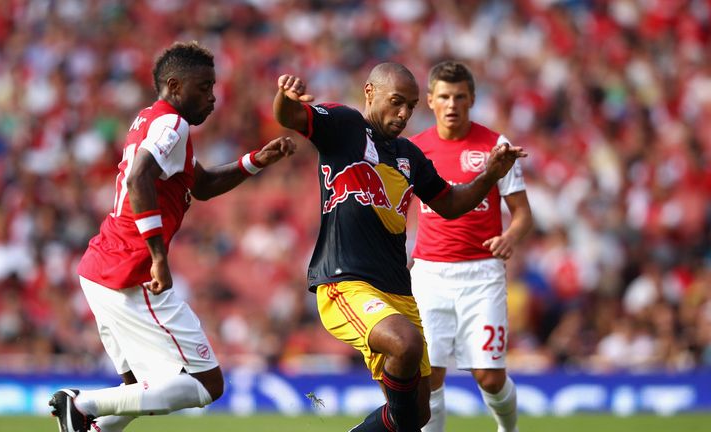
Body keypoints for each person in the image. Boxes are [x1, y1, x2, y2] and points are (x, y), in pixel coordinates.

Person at [49, 41, 296, 432]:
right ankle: (81, 405)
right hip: (131, 271)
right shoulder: (172, 124)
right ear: (175, 85)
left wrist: (256, 161)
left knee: (136, 387)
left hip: (100, 267)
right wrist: (158, 257)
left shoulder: (152, 120)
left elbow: (200, 184)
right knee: (205, 383)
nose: (212, 98)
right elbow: (138, 178)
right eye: (204, 87)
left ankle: (92, 427)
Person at [273, 62, 526, 432]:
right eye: (396, 102)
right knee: (405, 344)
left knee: (416, 415)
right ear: (370, 92)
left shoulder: (409, 155)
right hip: (347, 282)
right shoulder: (345, 126)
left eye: (410, 105)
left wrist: (489, 174)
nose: (404, 113)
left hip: (398, 292)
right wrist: (285, 95)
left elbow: (450, 204)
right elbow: (290, 115)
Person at [409, 61, 533, 432]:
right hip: (430, 274)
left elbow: (524, 214)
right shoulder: (414, 150)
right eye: (444, 96)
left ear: (472, 99)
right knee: (428, 375)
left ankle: (508, 429)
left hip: (482, 273)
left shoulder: (497, 147)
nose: (452, 104)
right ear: (430, 101)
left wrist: (510, 237)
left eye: (460, 96)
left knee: (490, 377)